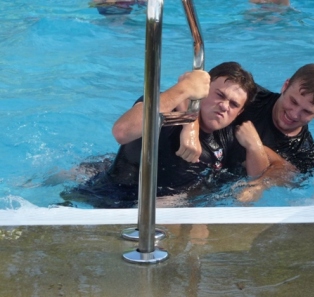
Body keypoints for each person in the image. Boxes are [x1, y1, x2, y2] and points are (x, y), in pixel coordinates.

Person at [61, 62, 276, 207]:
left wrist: (255, 147)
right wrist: (186, 103)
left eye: (233, 104)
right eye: (219, 95)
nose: (224, 106)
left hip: (162, 203)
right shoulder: (167, 109)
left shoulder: (230, 135)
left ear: (240, 112)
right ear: (203, 89)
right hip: (110, 195)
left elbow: (272, 169)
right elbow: (122, 131)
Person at [177, 63, 314, 201]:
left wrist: (256, 149)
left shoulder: (306, 154)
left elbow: (288, 177)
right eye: (293, 101)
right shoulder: (251, 97)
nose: (294, 114)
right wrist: (190, 127)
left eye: (306, 111)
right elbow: (188, 81)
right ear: (285, 86)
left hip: (221, 191)